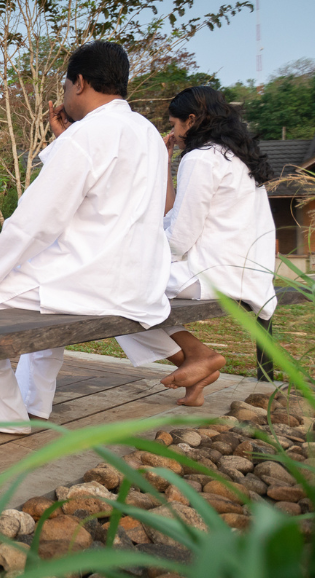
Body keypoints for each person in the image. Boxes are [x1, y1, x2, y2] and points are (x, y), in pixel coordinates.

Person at [0, 41, 171, 434]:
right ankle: (33, 401)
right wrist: (64, 138)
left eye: (66, 85)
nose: (65, 94)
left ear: (80, 82)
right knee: (44, 293)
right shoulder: (148, 133)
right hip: (138, 283)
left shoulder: (88, 135)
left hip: (91, 280)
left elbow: (34, 222)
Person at [115, 86, 277, 406]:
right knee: (124, 289)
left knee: (109, 289)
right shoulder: (236, 158)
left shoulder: (201, 159)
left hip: (212, 274)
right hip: (246, 275)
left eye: (174, 124)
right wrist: (165, 165)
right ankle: (196, 367)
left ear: (191, 120)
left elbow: (179, 237)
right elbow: (177, 216)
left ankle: (196, 355)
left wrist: (138, 255)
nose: (173, 134)